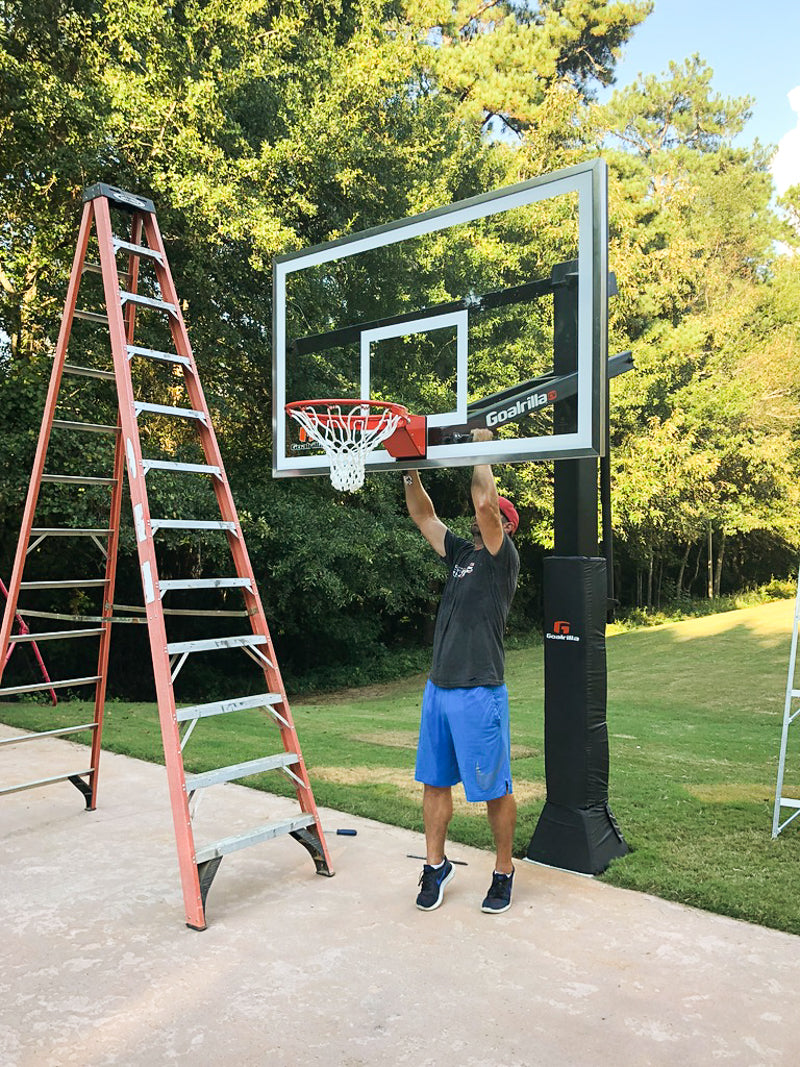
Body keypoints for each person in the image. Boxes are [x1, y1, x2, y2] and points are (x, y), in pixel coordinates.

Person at [403, 430, 520, 914]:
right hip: (440, 689)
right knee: (434, 783)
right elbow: (423, 515)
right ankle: (435, 867)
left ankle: (504, 869)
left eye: (488, 516)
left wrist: (481, 447)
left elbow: (485, 503)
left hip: (479, 693)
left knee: (494, 790)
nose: (477, 520)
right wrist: (407, 468)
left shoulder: (500, 560)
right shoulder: (461, 558)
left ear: (504, 526)